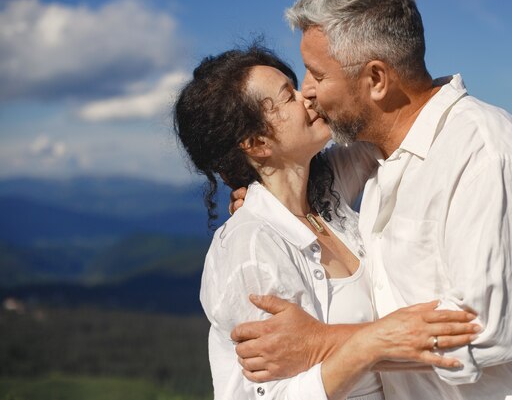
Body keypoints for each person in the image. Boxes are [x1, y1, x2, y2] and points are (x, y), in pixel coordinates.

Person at [229, 0, 512, 399]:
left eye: (319, 74)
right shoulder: (380, 151)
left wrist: (322, 342)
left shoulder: (485, 157)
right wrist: (261, 201)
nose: (307, 90)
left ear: (377, 79)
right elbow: (307, 181)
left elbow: (485, 331)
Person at [173, 45, 480, 400]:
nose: (306, 97)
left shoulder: (322, 196)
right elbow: (275, 393)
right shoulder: (252, 246)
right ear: (257, 143)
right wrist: (371, 343)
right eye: (288, 96)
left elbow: (395, 120)